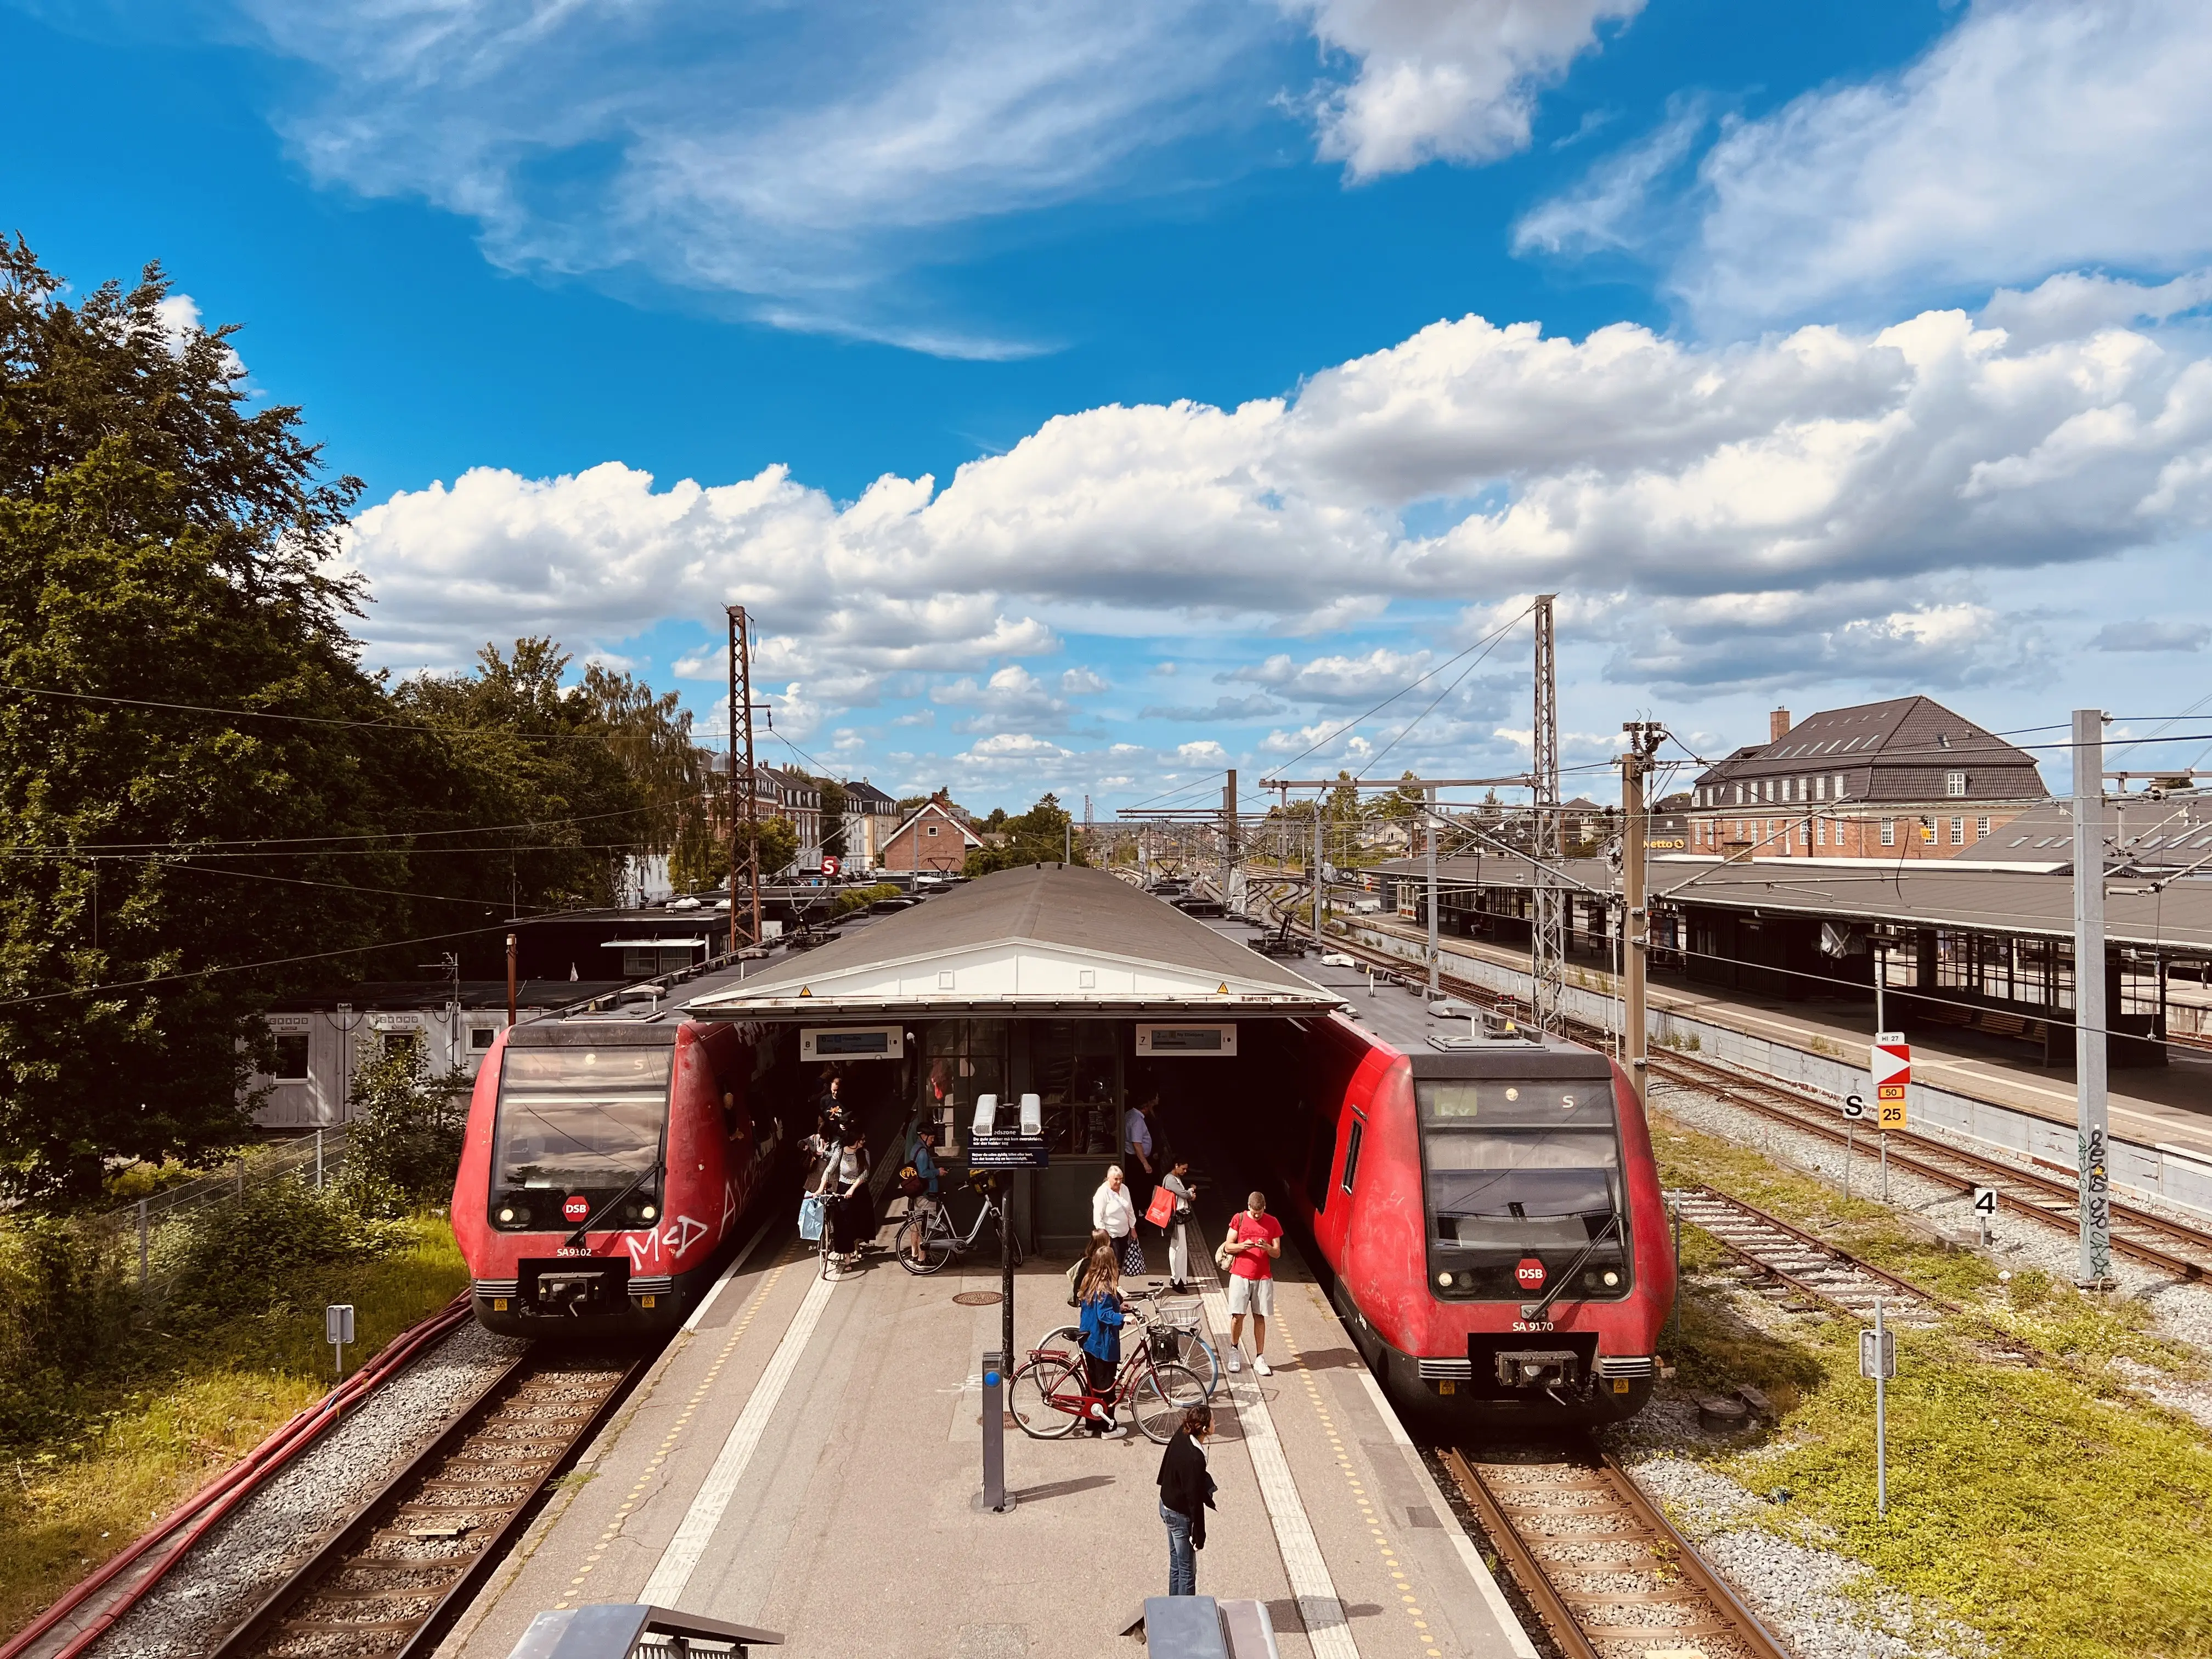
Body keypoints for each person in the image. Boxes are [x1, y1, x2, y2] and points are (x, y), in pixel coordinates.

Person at [1156, 1403, 1217, 1595]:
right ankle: (1184, 1617)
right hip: (1179, 1515)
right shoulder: (1195, 1457)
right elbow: (1194, 1500)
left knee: (1176, 1562)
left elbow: (1168, 1461)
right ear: (1205, 1429)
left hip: (1166, 1504)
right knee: (1187, 1572)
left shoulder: (1183, 1433)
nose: (1216, 1422)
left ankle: (1174, 1608)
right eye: (1213, 1420)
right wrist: (1199, 1535)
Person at [1222, 1190, 1283, 1375]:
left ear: (1265, 1208)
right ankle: (1234, 1350)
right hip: (1240, 1275)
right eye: (1255, 1213)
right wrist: (1242, 1246)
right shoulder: (1239, 1219)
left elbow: (1277, 1253)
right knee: (1238, 1316)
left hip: (1263, 1277)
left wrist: (1268, 1248)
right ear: (1249, 1207)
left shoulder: (1273, 1222)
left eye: (1261, 1213)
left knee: (1260, 1317)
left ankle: (1259, 1357)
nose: (1257, 1216)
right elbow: (1227, 1246)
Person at [1076, 1252, 1126, 1438]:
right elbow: (1103, 1315)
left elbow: (1097, 1309)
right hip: (1102, 1343)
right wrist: (1123, 1318)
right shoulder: (1105, 1288)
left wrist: (1119, 1308)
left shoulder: (1090, 1281)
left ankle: (1091, 1426)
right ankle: (1108, 1428)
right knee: (1107, 1388)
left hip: (1089, 1340)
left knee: (1094, 1385)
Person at [819, 1123, 873, 1277]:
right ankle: (847, 1257)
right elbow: (830, 1169)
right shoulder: (840, 1152)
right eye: (861, 1140)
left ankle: (857, 1243)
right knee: (843, 1223)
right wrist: (821, 1187)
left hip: (859, 1189)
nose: (863, 1142)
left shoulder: (865, 1153)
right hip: (843, 1189)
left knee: (859, 1221)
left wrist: (853, 1189)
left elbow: (865, 1174)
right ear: (854, 1140)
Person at [1093, 1165, 1144, 1276]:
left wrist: (1133, 1228)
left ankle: (1116, 1286)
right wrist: (1104, 1237)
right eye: (1116, 1179)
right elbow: (1098, 1216)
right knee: (1113, 1263)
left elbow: (1130, 1209)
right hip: (1110, 1234)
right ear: (1108, 1178)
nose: (1119, 1182)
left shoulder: (1125, 1189)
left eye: (1121, 1179)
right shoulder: (1102, 1193)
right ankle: (1112, 1288)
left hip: (1124, 1232)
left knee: (1120, 1262)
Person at [1158, 1156, 1197, 1293]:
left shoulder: (1172, 1178)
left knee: (1174, 1247)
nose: (1185, 1171)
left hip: (1173, 1217)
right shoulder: (1171, 1179)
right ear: (1176, 1166)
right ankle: (1178, 1281)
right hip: (1177, 1218)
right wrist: (1190, 1192)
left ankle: (1176, 1277)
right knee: (1181, 1248)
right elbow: (1183, 1194)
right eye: (1183, 1168)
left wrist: (1188, 1193)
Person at [1122, 1094, 1158, 1217]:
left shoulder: (1129, 1114)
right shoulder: (1137, 1120)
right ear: (1145, 1107)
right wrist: (1145, 1163)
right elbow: (1136, 1143)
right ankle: (1138, 1218)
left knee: (1134, 1189)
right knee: (1137, 1190)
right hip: (1136, 1159)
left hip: (1130, 1156)